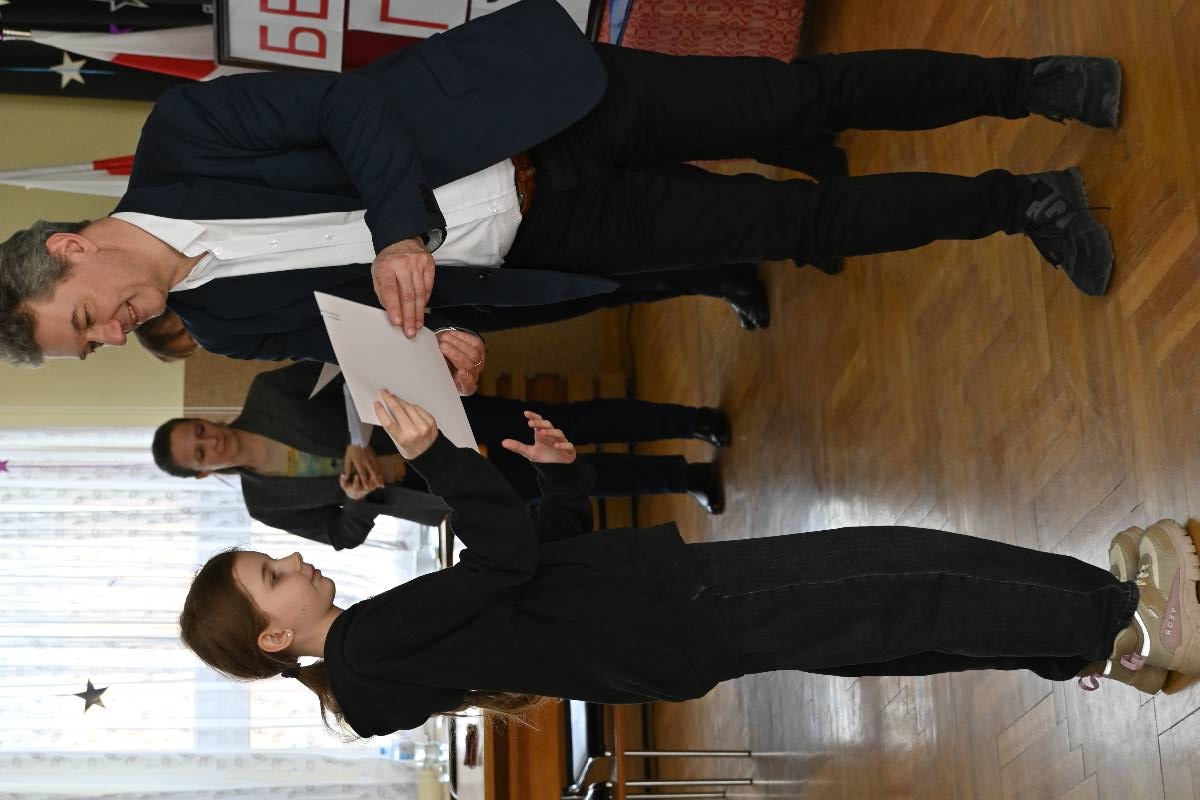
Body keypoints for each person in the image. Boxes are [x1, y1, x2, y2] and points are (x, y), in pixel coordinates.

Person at [1, 0, 1119, 369]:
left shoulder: (185, 134)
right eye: (94, 346)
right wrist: (435, 354)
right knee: (795, 222)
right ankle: (1024, 204)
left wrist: (397, 233)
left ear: (68, 249)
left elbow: (346, 107)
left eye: (87, 319)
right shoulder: (226, 328)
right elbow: (373, 338)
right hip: (554, 237)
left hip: (545, 109)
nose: (115, 332)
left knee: (796, 102)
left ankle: (1034, 82)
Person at [179, 393, 1199, 737]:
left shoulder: (372, 655)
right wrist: (439, 453)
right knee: (900, 576)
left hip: (659, 623)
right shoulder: (365, 647)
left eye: (273, 555)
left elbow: (530, 579)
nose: (292, 557)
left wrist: (561, 484)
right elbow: (501, 561)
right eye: (272, 574)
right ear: (272, 633)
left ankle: (1088, 636)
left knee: (889, 624)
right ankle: (1130, 616)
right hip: (672, 610)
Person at [152, 363, 730, 550]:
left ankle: (690, 422)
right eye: (199, 451)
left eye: (200, 429)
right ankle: (684, 476)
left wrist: (357, 434)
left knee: (567, 425)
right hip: (443, 486)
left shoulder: (267, 394)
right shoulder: (264, 504)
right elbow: (341, 536)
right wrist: (359, 500)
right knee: (565, 481)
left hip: (444, 420)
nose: (211, 440)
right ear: (202, 471)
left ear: (204, 420)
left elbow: (347, 371)